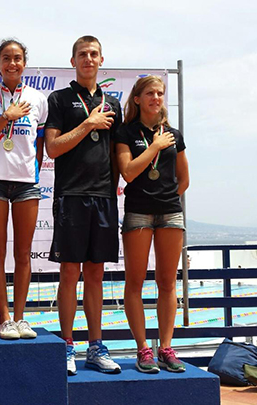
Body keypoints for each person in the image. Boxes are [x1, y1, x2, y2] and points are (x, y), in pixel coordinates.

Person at [45, 36, 121, 375]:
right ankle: (66, 346)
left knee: (96, 274)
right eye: (82, 55)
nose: (88, 59)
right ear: (73, 60)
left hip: (103, 198)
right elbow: (53, 148)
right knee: (69, 273)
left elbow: (118, 155)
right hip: (71, 196)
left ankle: (95, 346)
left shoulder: (114, 103)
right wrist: (88, 123)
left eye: (93, 54)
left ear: (101, 59)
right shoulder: (60, 99)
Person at [116, 75, 190, 373]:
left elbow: (184, 179)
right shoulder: (125, 132)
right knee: (135, 283)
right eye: (149, 93)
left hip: (170, 213)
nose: (155, 98)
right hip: (138, 214)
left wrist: (165, 197)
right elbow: (128, 172)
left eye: (160, 93)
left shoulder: (174, 134)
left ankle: (166, 348)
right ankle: (143, 349)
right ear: (137, 99)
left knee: (167, 283)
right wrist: (154, 146)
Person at [0, 39, 47, 339]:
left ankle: (21, 318)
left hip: (25, 184)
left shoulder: (38, 98)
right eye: (6, 58)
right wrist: (6, 117)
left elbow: (39, 145)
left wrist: (31, 171)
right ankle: (4, 318)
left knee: (23, 253)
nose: (12, 63)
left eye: (17, 58)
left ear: (24, 63)